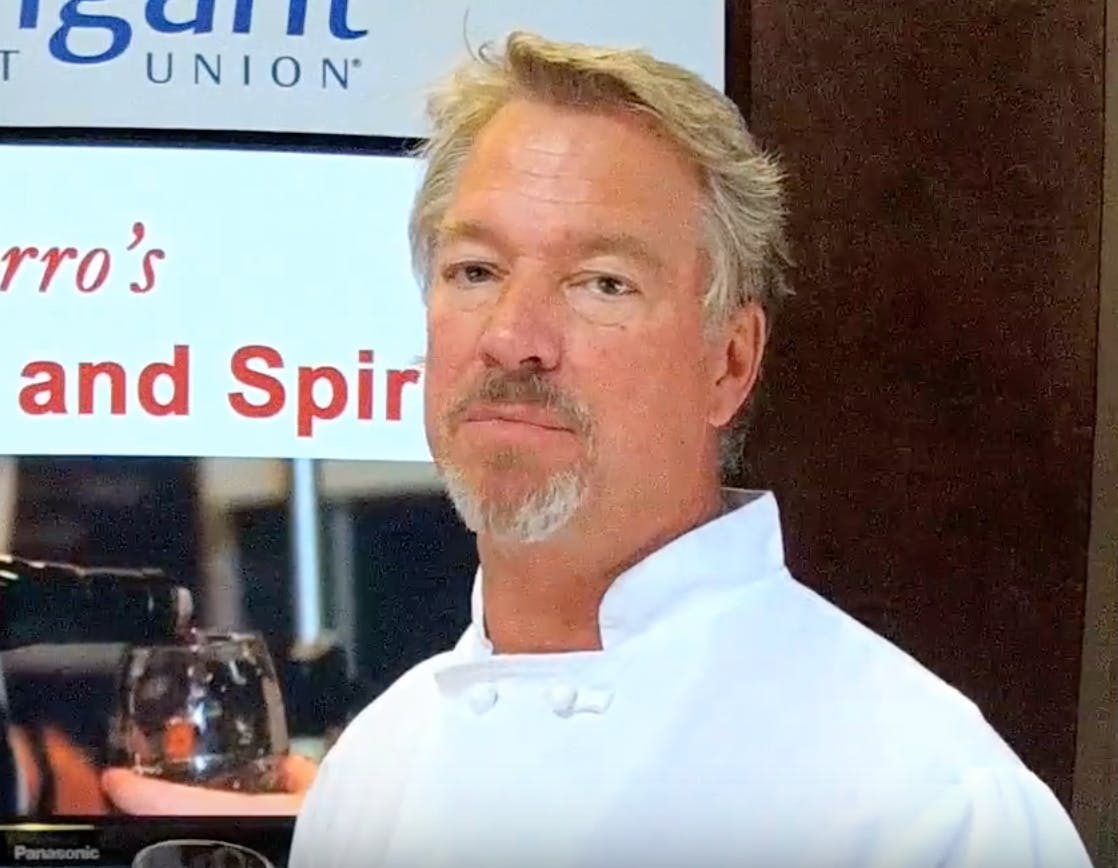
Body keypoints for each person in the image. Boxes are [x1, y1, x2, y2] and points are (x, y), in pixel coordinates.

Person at [282, 29, 1093, 868]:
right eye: (476, 271)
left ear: (729, 363)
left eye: (603, 283)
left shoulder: (925, 808)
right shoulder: (369, 780)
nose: (512, 339)